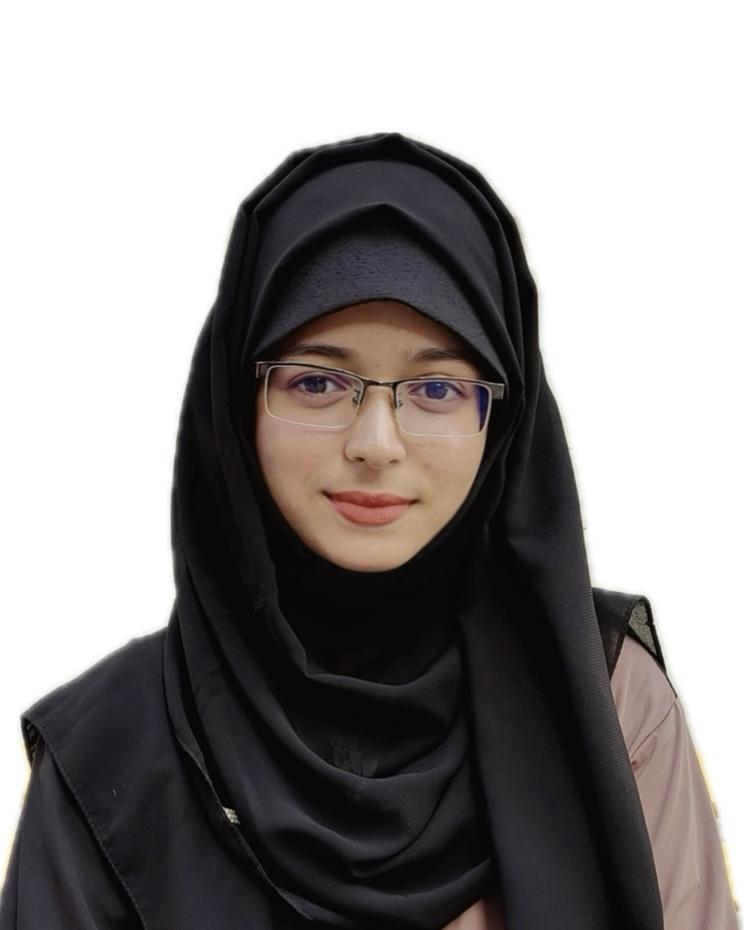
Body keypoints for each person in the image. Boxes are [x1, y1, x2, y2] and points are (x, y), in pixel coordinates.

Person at [0, 131, 738, 930]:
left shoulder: (608, 696)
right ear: (236, 408)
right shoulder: (108, 753)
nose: (376, 444)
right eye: (317, 382)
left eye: (437, 389)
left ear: (505, 422)